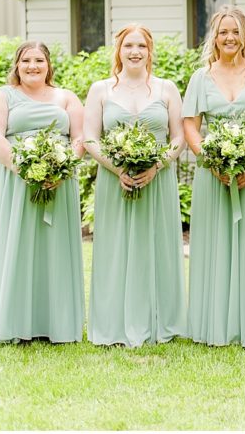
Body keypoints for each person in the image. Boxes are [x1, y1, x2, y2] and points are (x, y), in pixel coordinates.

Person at [182, 6, 245, 348]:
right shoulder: (201, 78)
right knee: (215, 245)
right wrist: (209, 160)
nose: (229, 38)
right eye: (223, 32)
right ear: (215, 37)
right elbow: (191, 126)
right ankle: (214, 321)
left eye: (235, 31)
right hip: (212, 177)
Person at [83, 24, 187, 346]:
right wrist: (118, 170)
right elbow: (89, 138)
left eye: (141, 45)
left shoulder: (166, 88)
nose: (135, 51)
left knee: (157, 247)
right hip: (115, 183)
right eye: (128, 45)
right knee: (116, 250)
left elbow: (179, 137)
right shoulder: (101, 90)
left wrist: (156, 166)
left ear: (150, 50)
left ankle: (158, 321)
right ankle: (114, 324)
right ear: (118, 49)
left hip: (158, 181)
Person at [0, 41, 85, 343]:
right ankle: (15, 323)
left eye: (39, 60)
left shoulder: (66, 97)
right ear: (17, 65)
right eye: (26, 60)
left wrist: (60, 169)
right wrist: (25, 169)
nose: (32, 66)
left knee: (55, 248)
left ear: (48, 65)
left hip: (59, 184)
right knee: (18, 245)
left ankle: (57, 324)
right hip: (16, 183)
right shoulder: (2, 96)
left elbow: (79, 139)